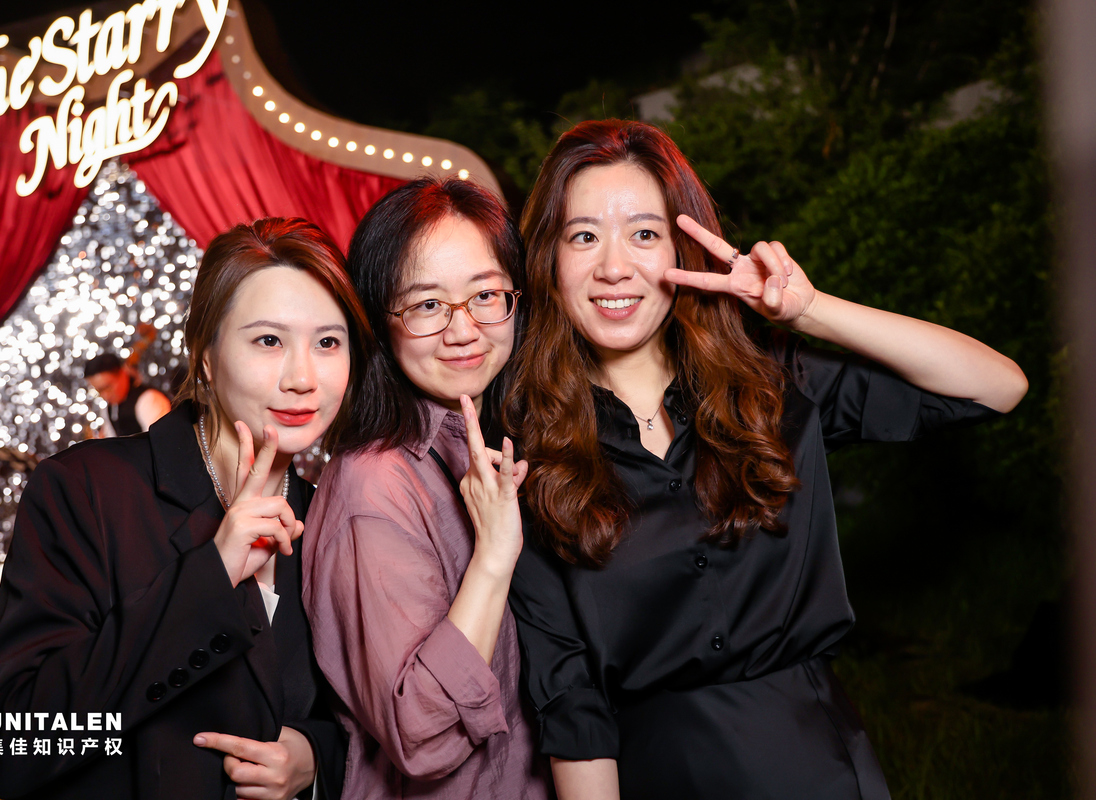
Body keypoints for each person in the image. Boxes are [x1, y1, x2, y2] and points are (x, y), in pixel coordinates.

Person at [504, 119, 1029, 800]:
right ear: (547, 259)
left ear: (684, 248)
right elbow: (570, 698)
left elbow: (996, 387)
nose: (613, 267)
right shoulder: (529, 450)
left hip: (819, 769)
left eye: (643, 234)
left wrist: (807, 311)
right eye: (583, 236)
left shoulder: (769, 388)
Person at [0, 217, 369, 800]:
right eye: (268, 340)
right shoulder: (87, 490)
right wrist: (210, 576)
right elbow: (8, 743)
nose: (303, 377)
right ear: (205, 356)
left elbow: (366, 727)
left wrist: (314, 759)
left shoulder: (332, 517)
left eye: (328, 342)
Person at [301, 178, 549, 799]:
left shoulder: (500, 440)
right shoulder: (375, 484)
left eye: (485, 295)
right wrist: (492, 558)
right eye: (427, 305)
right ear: (380, 322)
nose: (463, 330)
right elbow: (421, 735)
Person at [83, 351, 172, 435]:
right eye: (99, 391)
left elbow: (160, 440)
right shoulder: (109, 408)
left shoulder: (149, 399)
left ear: (123, 373)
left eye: (108, 387)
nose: (104, 395)